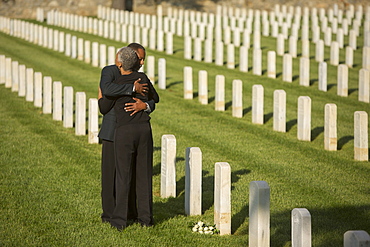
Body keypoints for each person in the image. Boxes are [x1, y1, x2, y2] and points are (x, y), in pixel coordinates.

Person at [98, 43, 154, 224]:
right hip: (113, 130)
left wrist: (144, 105)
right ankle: (110, 214)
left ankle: (132, 213)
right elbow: (106, 95)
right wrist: (131, 89)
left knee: (132, 175)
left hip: (130, 129)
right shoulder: (110, 71)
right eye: (139, 58)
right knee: (111, 176)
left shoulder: (141, 77)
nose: (142, 62)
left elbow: (154, 99)